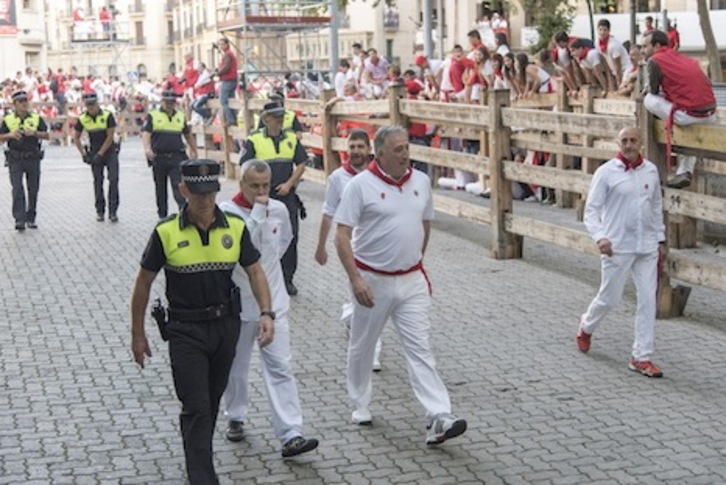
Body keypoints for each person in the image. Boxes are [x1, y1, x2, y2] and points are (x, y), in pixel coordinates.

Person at [130, 159, 274, 484]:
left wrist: (267, 313)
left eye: (210, 193)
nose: (205, 201)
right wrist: (137, 335)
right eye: (197, 194)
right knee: (195, 406)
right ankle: (202, 477)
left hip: (226, 328)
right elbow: (142, 284)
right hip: (185, 331)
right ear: (183, 191)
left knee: (209, 403)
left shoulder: (235, 228)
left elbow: (255, 271)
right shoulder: (165, 232)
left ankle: (199, 458)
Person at [333, 125, 467, 444]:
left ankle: (439, 415)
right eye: (397, 149)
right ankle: (360, 404)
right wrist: (355, 280)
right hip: (371, 281)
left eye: (406, 147)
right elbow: (341, 234)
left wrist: (415, 260)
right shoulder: (360, 186)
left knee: (420, 347)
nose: (405, 154)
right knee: (363, 347)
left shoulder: (421, 181)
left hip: (412, 281)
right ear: (378, 154)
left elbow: (425, 223)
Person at [221, 159, 319, 458]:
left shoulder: (279, 209)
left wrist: (267, 209)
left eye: (266, 185)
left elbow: (282, 243)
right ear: (242, 184)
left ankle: (291, 433)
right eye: (255, 186)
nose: (262, 192)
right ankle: (235, 415)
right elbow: (241, 248)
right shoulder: (226, 213)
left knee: (280, 367)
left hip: (274, 304)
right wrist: (259, 213)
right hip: (240, 305)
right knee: (236, 368)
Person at [577, 127, 666, 378]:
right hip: (617, 246)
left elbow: (657, 205)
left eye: (633, 141)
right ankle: (586, 326)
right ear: (618, 143)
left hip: (646, 246)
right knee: (609, 298)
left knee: (648, 300)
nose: (629, 145)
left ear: (641, 144)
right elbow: (591, 211)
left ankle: (641, 357)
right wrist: (600, 237)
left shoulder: (651, 170)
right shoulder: (605, 173)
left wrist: (660, 238)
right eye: (624, 141)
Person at [315, 130, 383, 371]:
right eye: (351, 146)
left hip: (378, 246)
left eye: (360, 146)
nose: (355, 151)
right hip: (351, 248)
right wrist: (321, 246)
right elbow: (328, 211)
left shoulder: (379, 175)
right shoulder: (337, 178)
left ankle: (352, 319)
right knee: (366, 297)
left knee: (367, 298)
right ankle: (371, 351)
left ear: (368, 149)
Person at [240, 102, 307, 296]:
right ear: (265, 119)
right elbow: (245, 167)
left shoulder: (292, 139)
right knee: (259, 235)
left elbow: (302, 163)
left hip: (286, 197)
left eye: (281, 116)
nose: (280, 119)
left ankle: (287, 279)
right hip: (261, 198)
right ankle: (261, 275)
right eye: (276, 116)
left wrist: (290, 184)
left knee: (290, 235)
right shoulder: (254, 139)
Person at [642, 30, 716, 189]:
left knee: (648, 100)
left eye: (645, 46)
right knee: (692, 138)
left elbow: (654, 92)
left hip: (689, 115)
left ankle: (665, 129)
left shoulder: (655, 60)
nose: (643, 50)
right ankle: (684, 172)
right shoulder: (684, 58)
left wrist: (647, 88)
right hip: (710, 114)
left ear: (656, 46)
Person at [142, 90, 198, 219]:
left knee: (178, 186)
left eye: (172, 102)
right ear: (162, 102)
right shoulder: (153, 115)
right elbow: (146, 133)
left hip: (176, 157)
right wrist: (147, 148)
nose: (169, 105)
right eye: (167, 102)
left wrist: (194, 149)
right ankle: (162, 215)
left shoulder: (180, 116)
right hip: (159, 157)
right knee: (160, 188)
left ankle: (183, 214)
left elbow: (187, 134)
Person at [0, 90, 49, 231]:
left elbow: (46, 135)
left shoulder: (35, 118)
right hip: (15, 158)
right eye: (20, 102)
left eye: (25, 101)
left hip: (32, 157)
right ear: (14, 104)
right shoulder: (8, 120)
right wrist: (10, 135)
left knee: (33, 189)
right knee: (17, 189)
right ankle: (19, 219)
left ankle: (31, 217)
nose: (23, 104)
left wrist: (34, 133)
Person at [73, 92, 120, 222]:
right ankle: (100, 211)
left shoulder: (107, 116)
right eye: (88, 105)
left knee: (114, 179)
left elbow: (110, 136)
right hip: (94, 151)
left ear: (97, 104)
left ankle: (113, 211)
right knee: (98, 181)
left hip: (109, 150)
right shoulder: (83, 118)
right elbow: (75, 137)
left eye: (93, 105)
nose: (91, 108)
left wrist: (101, 153)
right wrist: (83, 154)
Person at [596, 19, 632, 93]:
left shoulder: (614, 45)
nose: (602, 32)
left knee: (623, 90)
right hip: (613, 71)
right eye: (600, 30)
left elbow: (618, 67)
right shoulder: (597, 43)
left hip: (625, 69)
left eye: (605, 30)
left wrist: (619, 85)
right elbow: (605, 63)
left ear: (609, 31)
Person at [215, 37, 239, 126]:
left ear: (227, 44)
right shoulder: (229, 54)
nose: (221, 46)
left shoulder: (227, 54)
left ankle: (231, 119)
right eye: (220, 44)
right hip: (232, 79)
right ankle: (234, 119)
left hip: (228, 80)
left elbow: (226, 67)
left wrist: (218, 73)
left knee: (223, 101)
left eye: (222, 44)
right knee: (231, 100)